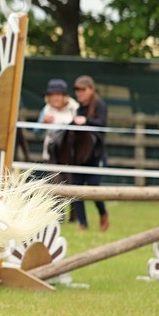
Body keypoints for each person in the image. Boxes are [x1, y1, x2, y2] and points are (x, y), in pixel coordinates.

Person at [71, 75, 109, 231]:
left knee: (94, 188)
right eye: (77, 90)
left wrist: (86, 121)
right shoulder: (79, 108)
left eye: (83, 90)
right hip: (80, 157)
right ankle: (83, 223)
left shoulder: (99, 105)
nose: (80, 93)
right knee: (76, 189)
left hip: (96, 156)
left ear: (91, 89)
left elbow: (102, 124)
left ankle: (103, 213)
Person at [38, 78, 79, 162]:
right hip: (51, 155)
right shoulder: (46, 110)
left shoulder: (75, 108)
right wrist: (43, 123)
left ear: (64, 96)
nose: (55, 98)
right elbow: (36, 131)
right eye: (52, 95)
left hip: (71, 156)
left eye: (58, 94)